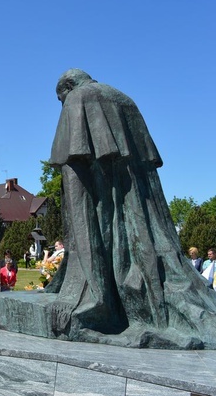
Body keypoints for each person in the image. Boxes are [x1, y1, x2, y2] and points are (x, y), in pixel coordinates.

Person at [45, 69, 216, 348]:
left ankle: (105, 301)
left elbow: (77, 190)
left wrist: (78, 292)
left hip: (105, 226)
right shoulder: (124, 99)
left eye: (60, 100)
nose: (63, 106)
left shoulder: (77, 98)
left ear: (67, 87)